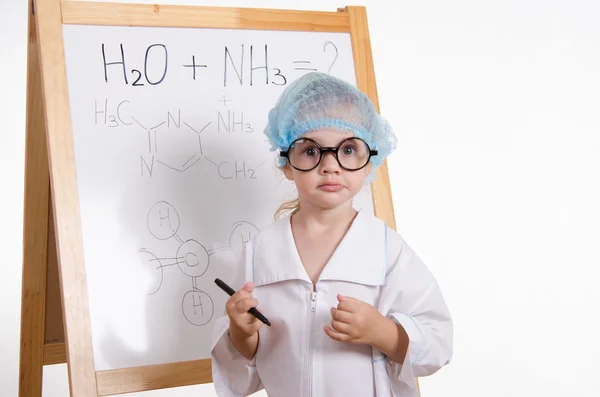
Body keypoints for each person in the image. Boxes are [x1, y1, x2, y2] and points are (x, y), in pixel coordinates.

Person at [210, 72, 453, 397]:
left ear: (370, 162)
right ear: (286, 162)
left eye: (348, 150)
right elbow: (244, 365)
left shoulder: (386, 250)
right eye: (311, 151)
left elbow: (437, 342)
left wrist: (383, 332)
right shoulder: (260, 250)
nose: (331, 165)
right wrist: (241, 332)